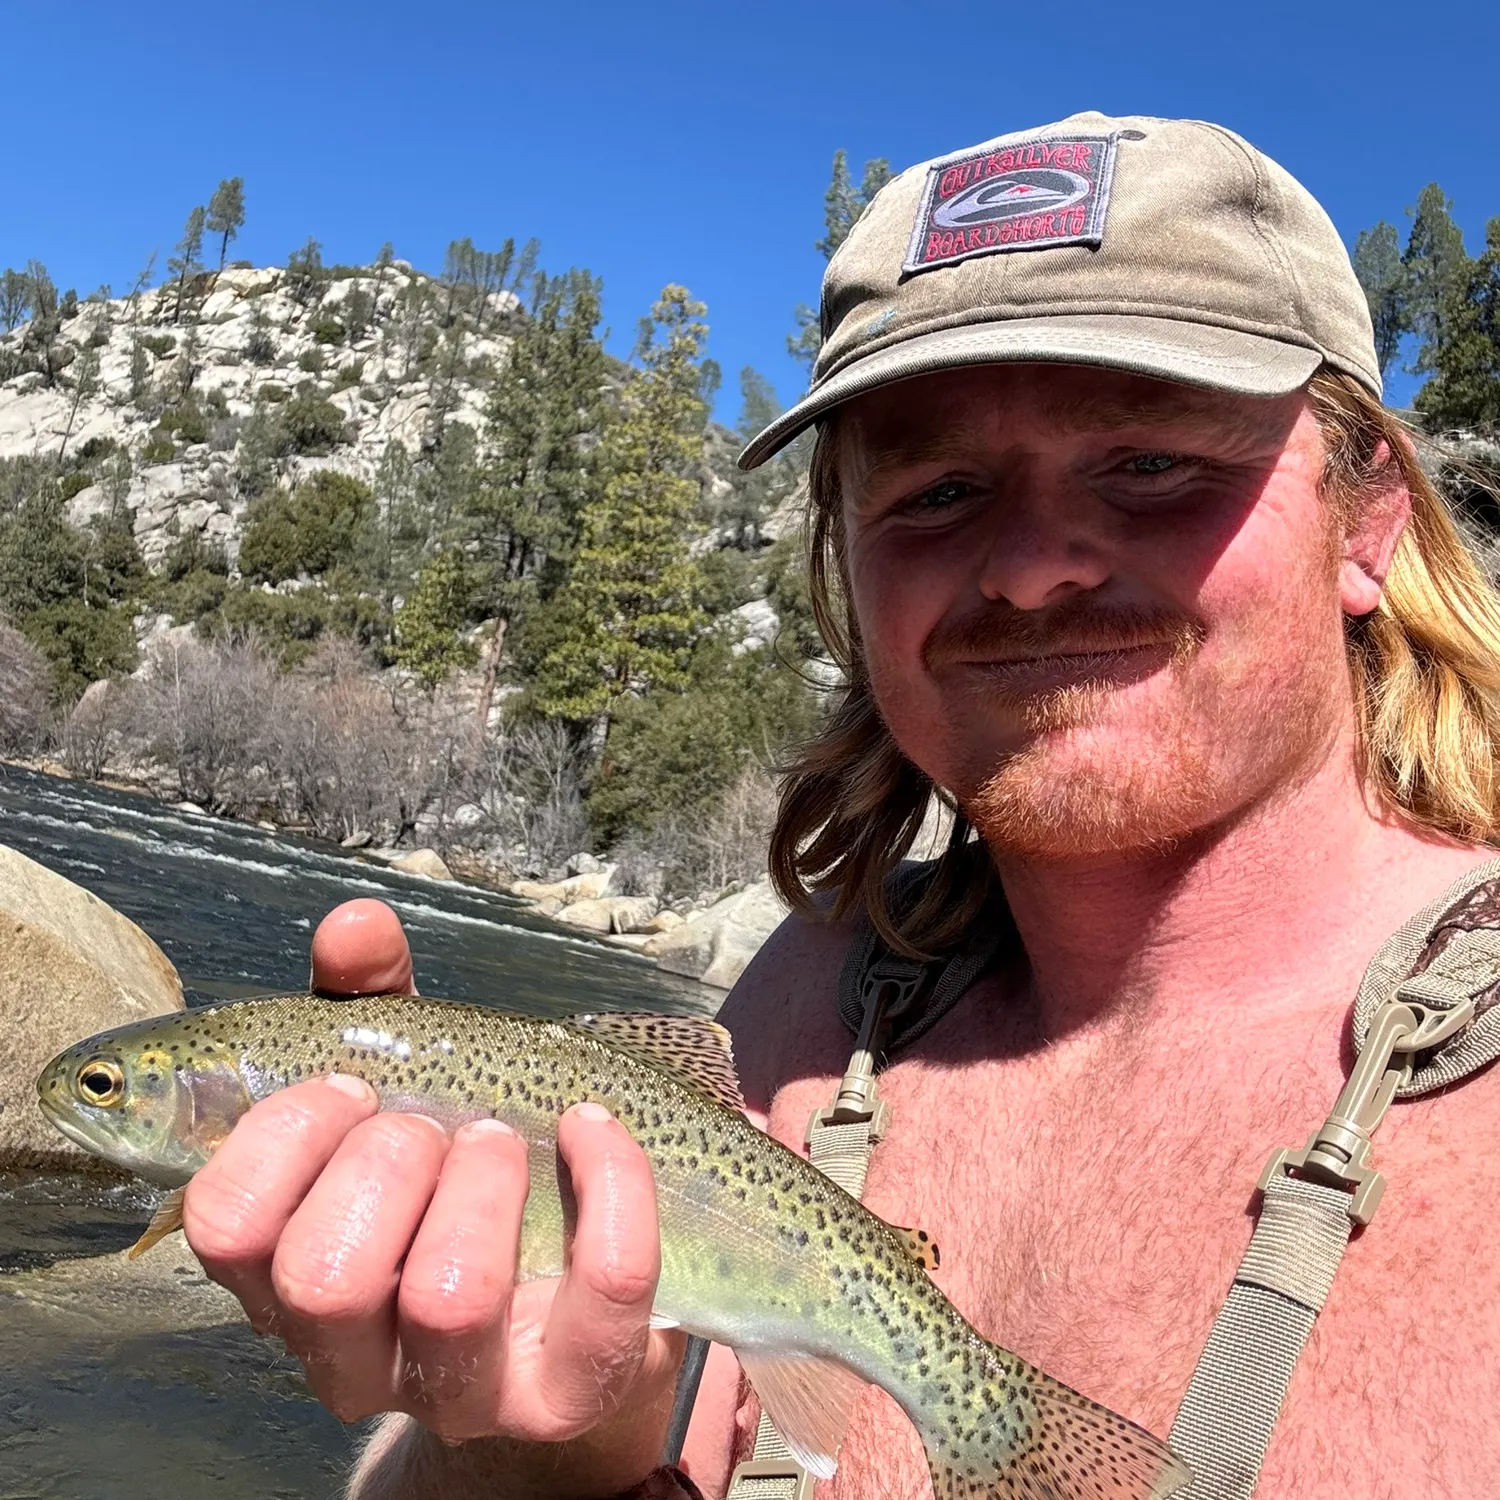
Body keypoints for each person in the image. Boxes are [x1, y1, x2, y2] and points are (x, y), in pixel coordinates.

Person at [182, 112, 1500, 1499]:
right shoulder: (812, 1006)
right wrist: (545, 1453)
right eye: (939, 490)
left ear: (1369, 524)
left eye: (1152, 463)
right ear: (844, 571)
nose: (1034, 568)